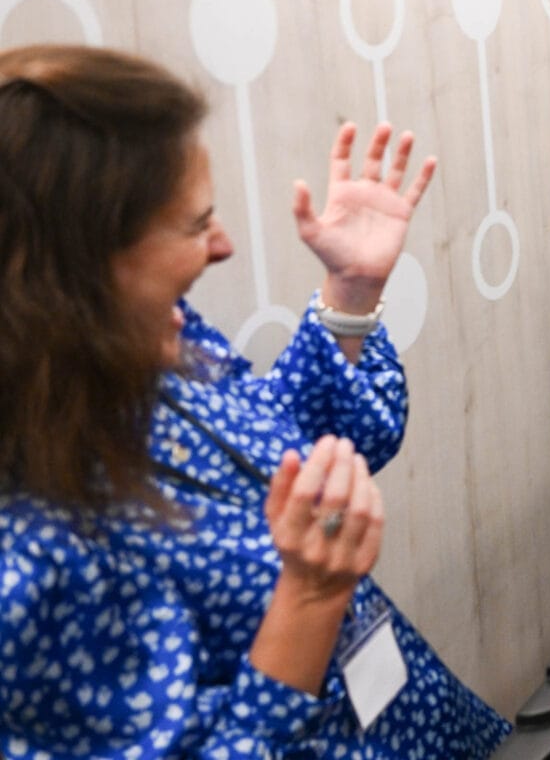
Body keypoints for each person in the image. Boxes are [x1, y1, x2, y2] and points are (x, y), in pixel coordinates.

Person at [0, 44, 508, 758]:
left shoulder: (150, 344)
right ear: (73, 269)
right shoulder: (25, 565)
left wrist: (350, 300)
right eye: (192, 224)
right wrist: (308, 599)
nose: (224, 245)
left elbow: (287, 447)